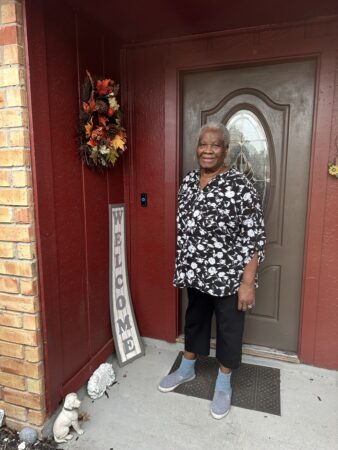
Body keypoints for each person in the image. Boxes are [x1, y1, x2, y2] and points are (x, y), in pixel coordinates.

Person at [158, 122, 266, 420]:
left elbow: (254, 237)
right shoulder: (189, 181)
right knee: (195, 319)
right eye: (203, 144)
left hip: (230, 275)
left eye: (215, 145)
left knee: (230, 329)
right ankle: (188, 368)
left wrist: (248, 282)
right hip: (195, 270)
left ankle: (223, 382)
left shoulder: (240, 186)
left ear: (225, 149)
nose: (207, 150)